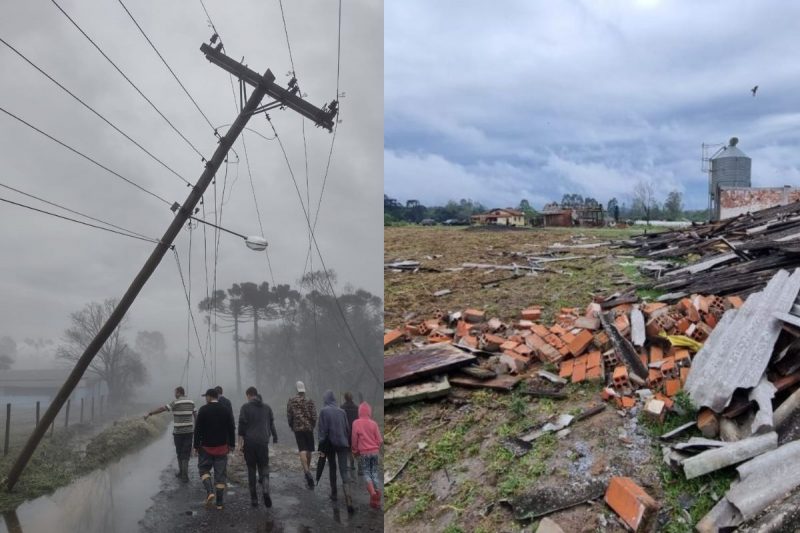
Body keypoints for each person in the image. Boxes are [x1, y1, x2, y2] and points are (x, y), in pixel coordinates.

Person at [194, 388, 236, 510]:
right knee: (220, 475)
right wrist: (232, 444)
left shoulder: (203, 410)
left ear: (209, 397)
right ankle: (219, 503)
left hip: (206, 448)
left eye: (205, 396)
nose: (205, 399)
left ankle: (209, 492)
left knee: (203, 470)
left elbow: (198, 430)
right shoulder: (226, 410)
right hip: (222, 448)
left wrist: (196, 446)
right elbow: (231, 427)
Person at [145, 386, 195, 482]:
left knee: (179, 452)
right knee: (186, 453)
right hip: (189, 432)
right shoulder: (191, 402)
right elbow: (195, 415)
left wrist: (150, 413)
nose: (174, 394)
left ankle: (182, 474)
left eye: (175, 392)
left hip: (178, 433)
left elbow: (162, 409)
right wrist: (196, 428)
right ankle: (184, 475)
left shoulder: (175, 402)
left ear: (179, 393)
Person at [238, 386, 277, 508]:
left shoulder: (245, 407)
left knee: (251, 469)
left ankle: (254, 498)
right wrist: (275, 437)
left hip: (250, 442)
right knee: (264, 467)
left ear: (249, 395)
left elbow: (242, 426)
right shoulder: (267, 408)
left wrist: (240, 443)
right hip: (263, 442)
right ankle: (265, 489)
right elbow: (271, 424)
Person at [318, 390, 354, 513]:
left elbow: (322, 430)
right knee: (344, 470)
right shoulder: (342, 411)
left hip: (330, 444)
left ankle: (334, 493)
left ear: (326, 399)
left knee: (332, 467)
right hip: (343, 444)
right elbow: (347, 429)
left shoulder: (323, 411)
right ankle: (349, 499)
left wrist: (321, 445)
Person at [352, 400, 383, 509]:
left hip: (364, 453)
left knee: (367, 474)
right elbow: (380, 440)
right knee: (374, 473)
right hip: (375, 452)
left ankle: (373, 495)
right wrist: (376, 449)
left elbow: (354, 439)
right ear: (369, 412)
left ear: (359, 412)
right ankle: (377, 497)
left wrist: (355, 451)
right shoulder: (374, 423)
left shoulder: (356, 423)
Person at [286, 381, 316, 489]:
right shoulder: (310, 400)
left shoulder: (292, 401)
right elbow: (314, 415)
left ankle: (307, 472)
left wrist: (291, 425)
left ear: (296, 389)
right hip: (309, 428)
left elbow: (289, 415)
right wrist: (312, 425)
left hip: (298, 428)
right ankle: (307, 470)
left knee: (302, 449)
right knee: (309, 450)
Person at [340, 392, 359, 472]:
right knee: (355, 447)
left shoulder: (342, 407)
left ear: (345, 398)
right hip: (355, 429)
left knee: (348, 448)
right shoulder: (356, 407)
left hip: (346, 430)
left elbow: (341, 419)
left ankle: (351, 463)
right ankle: (356, 464)